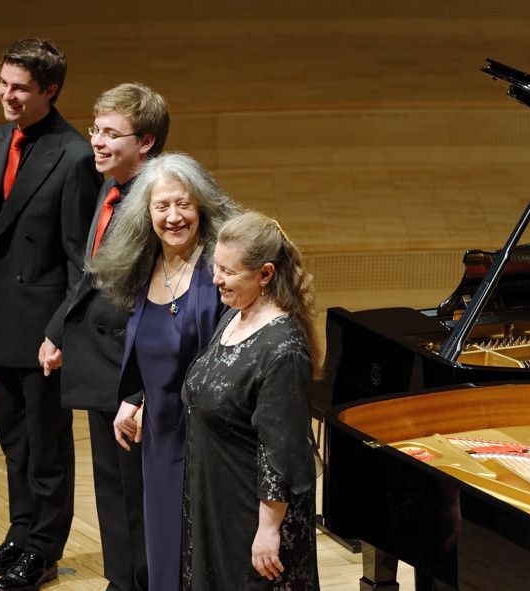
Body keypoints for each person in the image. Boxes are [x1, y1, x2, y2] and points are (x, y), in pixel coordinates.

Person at [0, 38, 102, 591]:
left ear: (50, 90)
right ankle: (19, 535)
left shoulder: (72, 156)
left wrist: (60, 330)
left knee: (46, 449)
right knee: (14, 441)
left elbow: (80, 259)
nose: (7, 95)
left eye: (20, 88)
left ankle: (42, 550)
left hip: (42, 327)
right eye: (3, 83)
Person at [39, 82, 170, 591]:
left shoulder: (161, 205)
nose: (96, 141)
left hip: (135, 374)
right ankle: (121, 581)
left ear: (147, 142)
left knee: (139, 494)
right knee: (112, 491)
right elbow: (91, 274)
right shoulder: (109, 188)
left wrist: (139, 393)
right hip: (101, 363)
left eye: (112, 134)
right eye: (96, 129)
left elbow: (164, 305)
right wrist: (57, 332)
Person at [90, 152, 239, 591]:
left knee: (205, 560)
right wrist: (134, 398)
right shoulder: (143, 265)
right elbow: (148, 349)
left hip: (211, 444)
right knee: (163, 559)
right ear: (146, 213)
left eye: (184, 204)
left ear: (202, 207)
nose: (174, 217)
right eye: (162, 206)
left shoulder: (218, 273)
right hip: (160, 439)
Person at [181, 211, 323, 591]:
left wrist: (268, 530)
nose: (216, 280)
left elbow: (282, 450)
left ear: (265, 274)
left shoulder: (284, 349)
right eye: (216, 267)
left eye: (229, 272)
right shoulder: (233, 317)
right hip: (216, 501)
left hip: (251, 515)